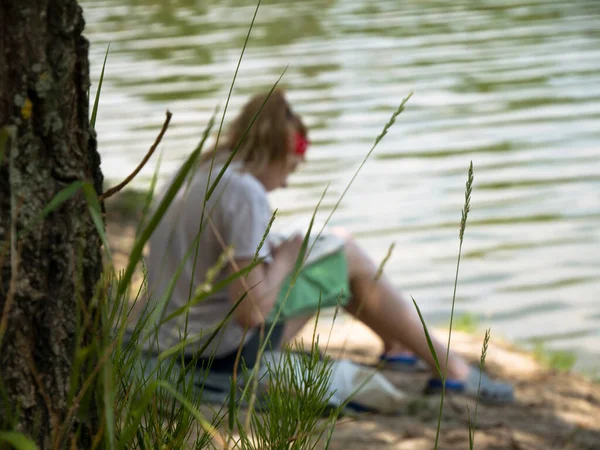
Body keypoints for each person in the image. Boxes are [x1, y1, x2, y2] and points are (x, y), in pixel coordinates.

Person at [144, 89, 514, 405]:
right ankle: (451, 369)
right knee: (346, 254)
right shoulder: (246, 194)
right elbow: (251, 313)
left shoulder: (196, 172)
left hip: (173, 340)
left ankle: (397, 345)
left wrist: (277, 252)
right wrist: (286, 259)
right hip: (222, 355)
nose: (286, 184)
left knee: (334, 249)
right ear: (274, 154)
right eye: (290, 168)